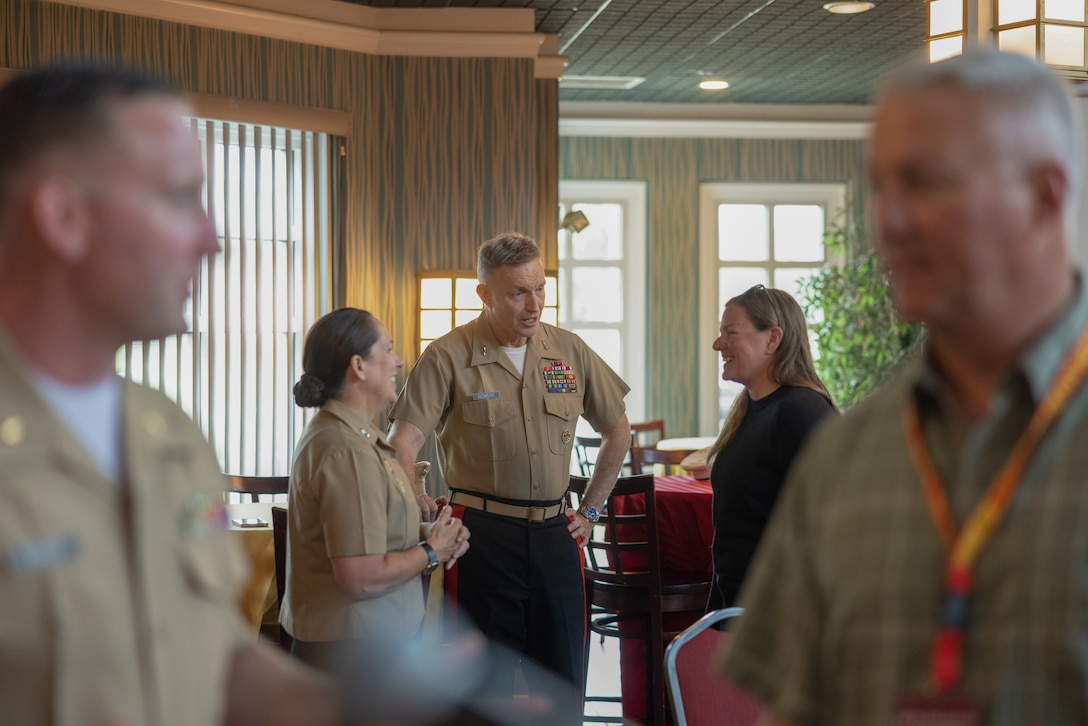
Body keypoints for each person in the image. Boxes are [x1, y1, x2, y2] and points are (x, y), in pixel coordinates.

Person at [720, 49, 1088, 725]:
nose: (888, 222)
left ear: (1046, 195)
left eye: (928, 183)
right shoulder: (846, 456)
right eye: (884, 188)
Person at [0, 63, 338, 725]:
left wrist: (358, 706)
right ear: (64, 216)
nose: (211, 240)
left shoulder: (169, 432)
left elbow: (211, 654)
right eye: (180, 198)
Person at [387, 232, 631, 694]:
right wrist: (414, 496)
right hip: (481, 537)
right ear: (485, 294)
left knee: (562, 683)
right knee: (483, 690)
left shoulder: (569, 350)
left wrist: (592, 510)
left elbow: (618, 430)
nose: (533, 304)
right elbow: (402, 442)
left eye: (540, 289)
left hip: (557, 537)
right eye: (518, 292)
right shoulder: (447, 355)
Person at [282, 307, 470, 666]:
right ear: (359, 366)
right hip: (353, 653)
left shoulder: (353, 435)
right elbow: (360, 577)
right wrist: (432, 551)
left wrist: (428, 530)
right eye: (388, 349)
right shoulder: (346, 450)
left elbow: (362, 530)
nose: (398, 362)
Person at [705, 284, 835, 610]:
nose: (718, 344)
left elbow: (829, 531)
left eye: (730, 332)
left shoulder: (800, 412)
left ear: (772, 339)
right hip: (740, 614)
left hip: (779, 621)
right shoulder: (747, 409)